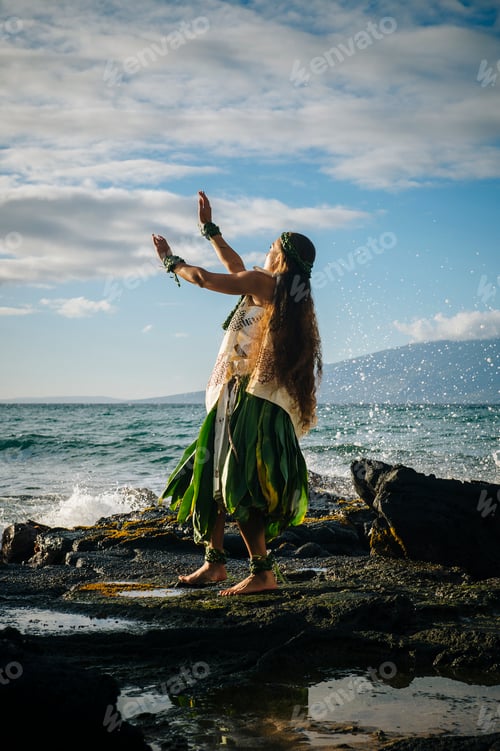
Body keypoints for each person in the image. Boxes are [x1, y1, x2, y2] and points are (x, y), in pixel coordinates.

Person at [152, 190, 322, 596]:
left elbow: (209, 279)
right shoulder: (280, 290)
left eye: (270, 246)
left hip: (245, 400)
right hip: (243, 397)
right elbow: (235, 268)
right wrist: (211, 230)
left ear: (280, 255)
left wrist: (171, 262)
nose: (265, 251)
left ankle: (262, 573)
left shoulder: (265, 282)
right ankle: (214, 564)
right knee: (210, 473)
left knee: (238, 482)